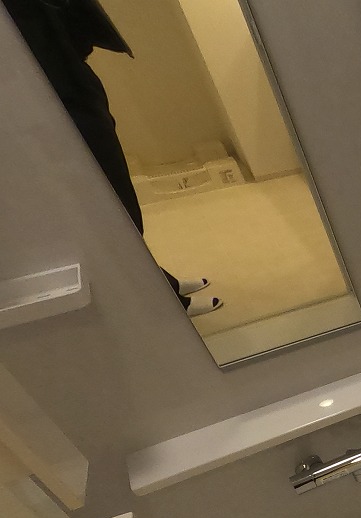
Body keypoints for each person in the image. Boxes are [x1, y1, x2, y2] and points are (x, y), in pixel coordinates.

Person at [3, 0, 222, 316]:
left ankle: (161, 285)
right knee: (111, 206)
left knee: (118, 201)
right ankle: (163, 303)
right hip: (50, 94)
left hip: (70, 79)